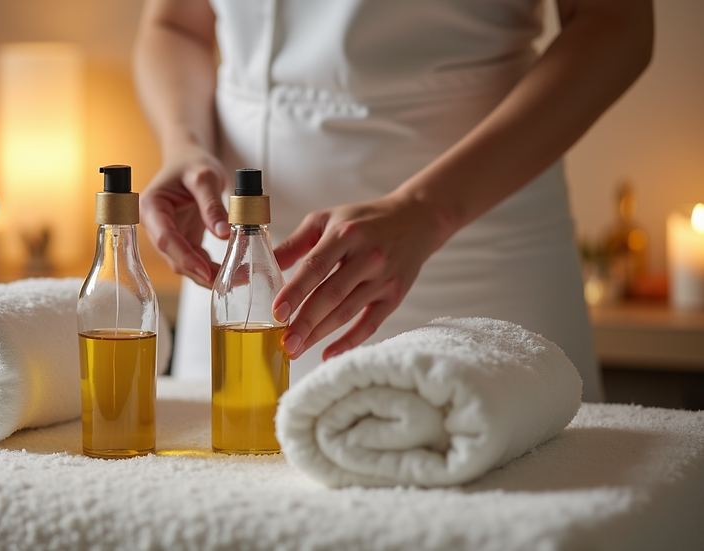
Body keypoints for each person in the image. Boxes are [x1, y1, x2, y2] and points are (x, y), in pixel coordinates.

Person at [132, 0, 653, 402]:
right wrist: (184, 143)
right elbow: (174, 24)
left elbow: (615, 23)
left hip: (477, 259)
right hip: (241, 285)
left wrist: (429, 210)